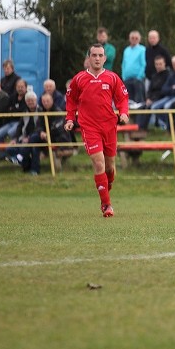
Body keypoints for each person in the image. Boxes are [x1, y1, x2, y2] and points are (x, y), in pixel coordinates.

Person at [65, 43, 130, 218]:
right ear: (89, 57)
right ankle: (106, 204)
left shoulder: (112, 78)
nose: (97, 58)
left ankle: (105, 189)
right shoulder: (79, 79)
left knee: (109, 167)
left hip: (109, 125)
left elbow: (122, 98)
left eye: (100, 55)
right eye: (94, 55)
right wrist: (70, 118)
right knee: (98, 162)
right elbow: (70, 100)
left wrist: (123, 113)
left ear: (105, 58)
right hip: (89, 126)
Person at [6, 91, 44, 175]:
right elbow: (19, 127)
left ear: (36, 100)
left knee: (34, 148)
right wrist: (15, 139)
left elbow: (39, 127)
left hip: (38, 137)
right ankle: (26, 165)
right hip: (24, 137)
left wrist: (29, 138)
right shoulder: (25, 112)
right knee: (9, 149)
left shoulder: (41, 111)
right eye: (28, 101)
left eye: (32, 100)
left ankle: (35, 170)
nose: (30, 102)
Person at [136, 55, 173, 130]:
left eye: (160, 64)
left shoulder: (168, 75)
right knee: (141, 107)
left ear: (164, 64)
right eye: (157, 64)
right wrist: (148, 98)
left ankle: (143, 129)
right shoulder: (154, 76)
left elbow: (164, 90)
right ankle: (138, 127)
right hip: (152, 98)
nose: (158, 66)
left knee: (150, 107)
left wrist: (152, 99)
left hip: (162, 97)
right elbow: (149, 90)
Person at [121, 30, 146, 103]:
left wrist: (139, 77)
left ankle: (140, 114)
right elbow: (123, 64)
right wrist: (124, 77)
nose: (134, 40)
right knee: (128, 100)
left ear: (139, 39)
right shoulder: (126, 50)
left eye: (136, 38)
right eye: (132, 38)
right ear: (129, 39)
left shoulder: (142, 49)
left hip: (138, 79)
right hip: (127, 79)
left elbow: (143, 64)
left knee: (138, 101)